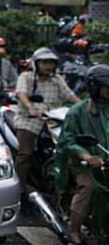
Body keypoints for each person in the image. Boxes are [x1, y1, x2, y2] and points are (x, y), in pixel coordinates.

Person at [15, 47, 80, 196]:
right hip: (29, 119)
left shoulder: (57, 79)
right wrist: (31, 108)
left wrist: (85, 108)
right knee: (25, 153)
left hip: (52, 120)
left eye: (51, 63)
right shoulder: (26, 77)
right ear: (36, 64)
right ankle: (18, 188)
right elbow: (21, 94)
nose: (48, 66)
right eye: (44, 63)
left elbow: (70, 95)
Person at [58, 65, 109, 245]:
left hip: (107, 162)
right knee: (89, 187)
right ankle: (73, 231)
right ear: (95, 87)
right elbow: (68, 141)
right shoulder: (77, 112)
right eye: (106, 86)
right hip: (82, 164)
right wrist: (87, 155)